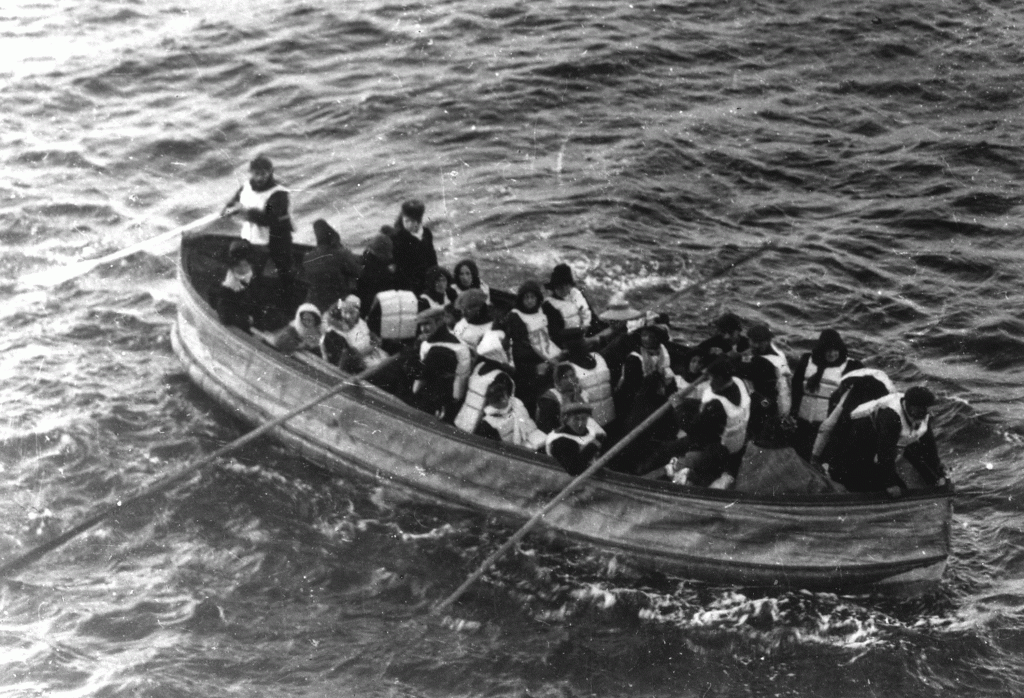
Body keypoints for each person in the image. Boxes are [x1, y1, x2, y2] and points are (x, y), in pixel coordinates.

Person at [824, 386, 947, 495]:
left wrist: (939, 474)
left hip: (888, 441)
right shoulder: (891, 416)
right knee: (867, 483)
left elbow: (929, 447)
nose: (923, 413)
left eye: (925, 409)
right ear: (908, 405)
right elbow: (885, 451)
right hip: (861, 439)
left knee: (916, 459)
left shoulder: (923, 415)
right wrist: (890, 484)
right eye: (919, 409)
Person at [221, 155, 294, 291]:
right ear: (251, 173)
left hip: (277, 239)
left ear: (270, 172)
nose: (260, 178)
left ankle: (288, 298)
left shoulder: (278, 194)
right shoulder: (246, 187)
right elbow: (233, 202)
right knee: (254, 274)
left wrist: (244, 212)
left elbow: (269, 218)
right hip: (251, 239)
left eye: (263, 174)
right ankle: (251, 299)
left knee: (285, 273)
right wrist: (227, 209)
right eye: (256, 174)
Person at [790, 328, 863, 460]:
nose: (832, 354)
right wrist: (792, 414)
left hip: (824, 427)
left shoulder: (850, 366)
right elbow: (795, 389)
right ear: (821, 349)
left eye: (835, 350)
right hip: (802, 422)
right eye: (828, 350)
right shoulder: (807, 361)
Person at [810, 367, 895, 471]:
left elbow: (828, 426)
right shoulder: (874, 396)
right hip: (850, 428)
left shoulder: (856, 391)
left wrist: (815, 455)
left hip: (851, 430)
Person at [504, 280, 562, 413]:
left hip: (546, 353)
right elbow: (520, 348)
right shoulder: (515, 316)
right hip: (527, 363)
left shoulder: (541, 311)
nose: (530, 301)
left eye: (533, 297)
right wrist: (543, 363)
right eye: (526, 298)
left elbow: (548, 336)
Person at [411, 306, 472, 422]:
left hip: (440, 399)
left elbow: (420, 380)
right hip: (442, 395)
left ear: (439, 322)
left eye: (427, 324)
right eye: (421, 325)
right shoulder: (454, 342)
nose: (423, 329)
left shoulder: (445, 350)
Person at [736, 323, 793, 446]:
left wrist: (783, 414)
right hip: (768, 398)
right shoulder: (772, 352)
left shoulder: (769, 361)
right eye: (753, 341)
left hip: (768, 403)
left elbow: (738, 369)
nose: (756, 345)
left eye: (760, 342)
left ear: (768, 341)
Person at [454, 328, 515, 434]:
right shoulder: (500, 377)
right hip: (482, 430)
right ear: (497, 349)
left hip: (462, 421)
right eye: (505, 348)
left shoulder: (479, 366)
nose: (509, 351)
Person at [301, 219, 362, 313]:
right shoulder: (341, 254)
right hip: (338, 302)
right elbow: (358, 272)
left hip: (315, 301)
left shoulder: (307, 257)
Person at [473, 373, 547, 451]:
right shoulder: (487, 423)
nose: (504, 399)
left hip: (534, 442)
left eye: (503, 395)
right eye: (498, 398)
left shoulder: (517, 403)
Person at [560, 328, 616, 428]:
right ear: (565, 345)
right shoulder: (565, 368)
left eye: (580, 339)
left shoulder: (598, 357)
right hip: (590, 427)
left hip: (613, 417)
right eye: (573, 341)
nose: (578, 344)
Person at [322, 295, 388, 371]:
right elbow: (351, 352)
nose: (350, 315)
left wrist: (374, 338)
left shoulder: (361, 322)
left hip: (373, 353)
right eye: (347, 311)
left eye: (354, 310)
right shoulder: (336, 329)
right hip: (359, 360)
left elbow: (369, 335)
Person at [542, 263, 599, 346]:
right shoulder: (549, 306)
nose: (564, 289)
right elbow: (556, 334)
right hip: (570, 342)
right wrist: (580, 331)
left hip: (588, 333)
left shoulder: (576, 294)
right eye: (560, 286)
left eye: (566, 285)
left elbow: (591, 316)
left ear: (570, 285)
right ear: (554, 287)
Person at [390, 199, 438, 295]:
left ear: (418, 221)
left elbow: (432, 259)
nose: (409, 224)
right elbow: (399, 267)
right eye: (406, 221)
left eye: (412, 221)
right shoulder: (396, 237)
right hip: (408, 285)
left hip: (427, 280)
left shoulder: (426, 233)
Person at [545, 402, 607, 476]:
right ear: (566, 420)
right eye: (576, 419)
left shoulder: (592, 432)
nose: (580, 423)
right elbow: (574, 469)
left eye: (584, 419)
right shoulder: (560, 441)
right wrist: (594, 445)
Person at [215, 239, 260, 333]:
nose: (243, 269)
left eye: (246, 265)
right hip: (240, 325)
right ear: (232, 266)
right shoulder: (228, 287)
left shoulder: (250, 276)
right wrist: (246, 320)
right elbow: (225, 316)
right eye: (238, 266)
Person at [535, 362, 584, 433]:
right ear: (558, 381)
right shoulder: (550, 399)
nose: (570, 380)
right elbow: (547, 428)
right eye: (565, 377)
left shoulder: (579, 393)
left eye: (572, 375)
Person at [357, 229, 397, 316]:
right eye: (387, 253)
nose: (390, 255)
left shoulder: (365, 257)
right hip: (373, 306)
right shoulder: (376, 271)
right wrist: (389, 272)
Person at [452, 288, 493, 353]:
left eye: (467, 309)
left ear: (479, 307)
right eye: (462, 309)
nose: (463, 313)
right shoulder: (461, 324)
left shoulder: (492, 327)